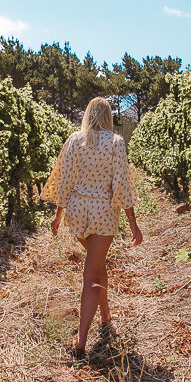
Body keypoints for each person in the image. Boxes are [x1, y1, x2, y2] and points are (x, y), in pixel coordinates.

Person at [41, 96, 143, 355]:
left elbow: (64, 180)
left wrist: (58, 214)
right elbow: (121, 186)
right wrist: (133, 223)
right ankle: (82, 340)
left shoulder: (74, 140)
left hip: (77, 210)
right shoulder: (116, 143)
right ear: (108, 116)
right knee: (91, 275)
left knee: (96, 265)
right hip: (102, 212)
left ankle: (105, 316)